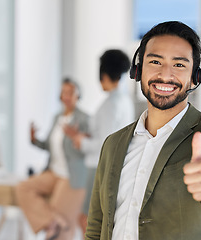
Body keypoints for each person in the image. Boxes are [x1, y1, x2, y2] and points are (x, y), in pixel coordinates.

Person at [85, 21, 201, 240]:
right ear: (138, 70)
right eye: (155, 61)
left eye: (179, 65)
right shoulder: (113, 143)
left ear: (195, 77)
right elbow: (96, 226)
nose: (165, 74)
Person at [64, 49, 135, 234]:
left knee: (87, 219)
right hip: (111, 167)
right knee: (96, 220)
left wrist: (81, 142)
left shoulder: (110, 105)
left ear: (103, 75)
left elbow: (105, 144)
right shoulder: (123, 101)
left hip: (99, 167)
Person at [16, 78, 89, 240]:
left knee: (60, 232)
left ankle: (56, 224)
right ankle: (52, 221)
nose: (66, 96)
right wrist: (35, 140)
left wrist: (78, 139)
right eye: (64, 92)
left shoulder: (84, 119)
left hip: (71, 176)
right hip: (54, 172)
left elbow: (90, 148)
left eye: (71, 92)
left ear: (78, 96)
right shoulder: (57, 117)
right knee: (23, 188)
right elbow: (50, 146)